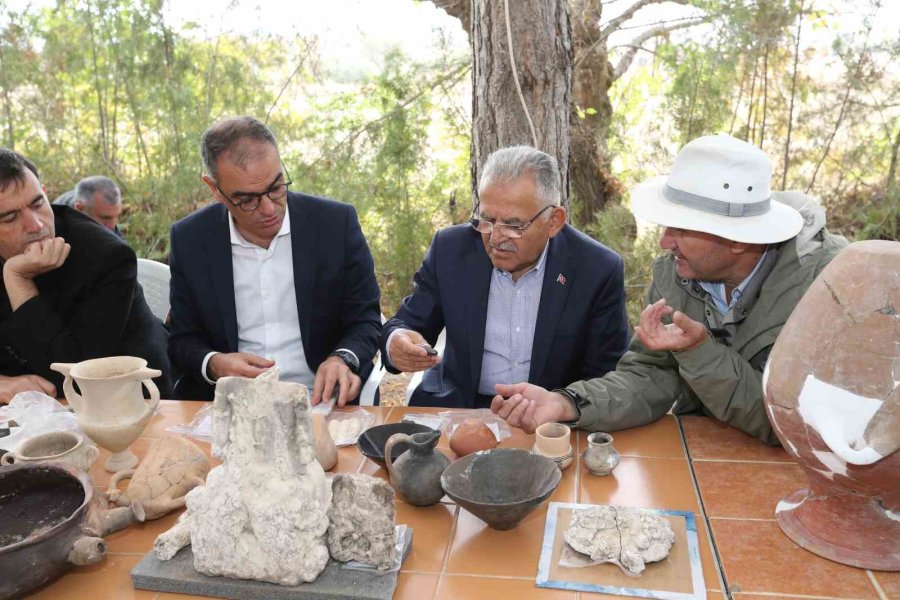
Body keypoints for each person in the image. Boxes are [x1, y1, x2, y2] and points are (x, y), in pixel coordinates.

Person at [490, 134, 847, 444]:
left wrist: (698, 351)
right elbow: (650, 374)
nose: (664, 242)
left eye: (679, 229)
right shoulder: (675, 275)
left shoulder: (832, 291)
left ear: (737, 239)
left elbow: (797, 426)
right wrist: (567, 403)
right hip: (703, 453)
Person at [381, 146, 629, 408]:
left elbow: (606, 375)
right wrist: (396, 341)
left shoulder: (596, 268)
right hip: (461, 409)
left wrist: (561, 406)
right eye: (487, 219)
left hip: (550, 417)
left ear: (554, 221)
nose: (496, 237)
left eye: (513, 225)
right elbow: (408, 322)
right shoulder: (451, 249)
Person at [168, 116, 381, 404]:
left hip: (322, 401)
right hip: (232, 404)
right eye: (247, 199)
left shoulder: (334, 224)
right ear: (214, 189)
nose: (269, 208)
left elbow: (365, 319)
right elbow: (183, 338)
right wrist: (216, 363)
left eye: (276, 187)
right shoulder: (191, 239)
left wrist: (342, 359)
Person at [0, 149, 171, 403]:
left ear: (45, 192)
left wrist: (17, 280)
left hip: (130, 405)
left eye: (37, 203)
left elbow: (77, 378)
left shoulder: (107, 257)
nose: (36, 225)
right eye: (10, 217)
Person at [53, 176, 124, 236]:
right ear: (79, 209)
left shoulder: (109, 223)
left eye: (116, 216)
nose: (112, 226)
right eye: (105, 218)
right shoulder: (55, 223)